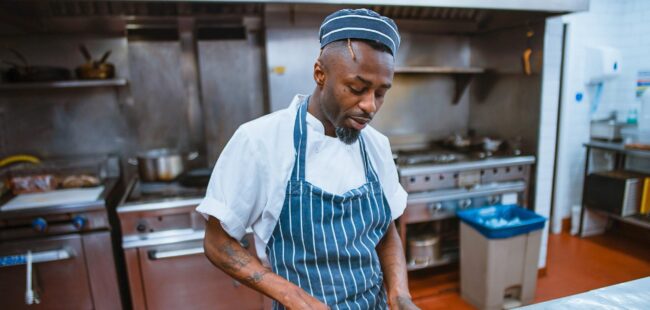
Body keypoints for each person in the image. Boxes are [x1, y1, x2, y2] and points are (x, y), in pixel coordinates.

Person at [198, 8, 418, 310]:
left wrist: (400, 296)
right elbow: (217, 243)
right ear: (320, 73)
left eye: (381, 93)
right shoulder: (261, 141)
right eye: (357, 88)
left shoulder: (376, 146)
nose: (369, 106)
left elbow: (386, 232)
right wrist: (295, 298)